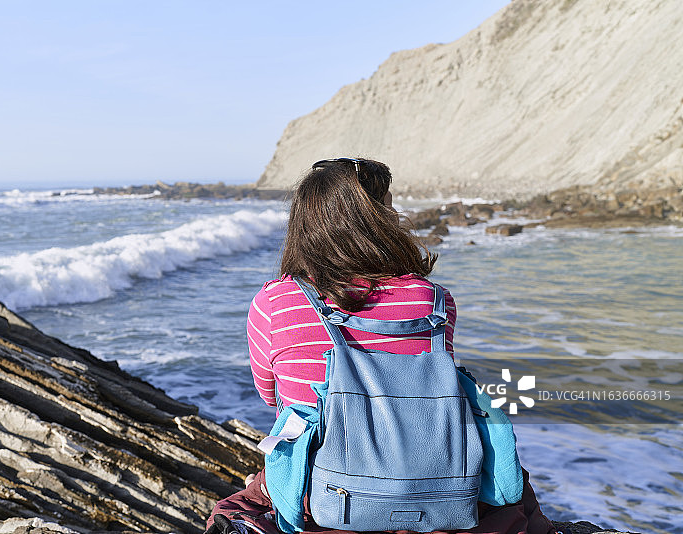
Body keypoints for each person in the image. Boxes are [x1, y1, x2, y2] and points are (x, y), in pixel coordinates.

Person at [206, 158, 556, 534]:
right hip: (432, 483)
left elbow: (274, 398)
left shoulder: (276, 302)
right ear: (374, 218)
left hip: (324, 492)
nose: (396, 216)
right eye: (388, 206)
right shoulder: (433, 301)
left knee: (236, 510)